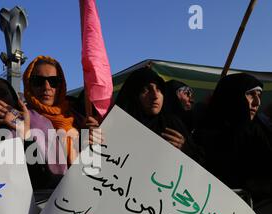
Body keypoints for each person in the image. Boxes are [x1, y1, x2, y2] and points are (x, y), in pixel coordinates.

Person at [193, 73, 272, 203]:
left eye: (259, 95)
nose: (257, 102)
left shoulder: (259, 133)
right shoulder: (203, 136)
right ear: (233, 95)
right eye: (251, 94)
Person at [0, 76, 67, 189]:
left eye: (3, 94)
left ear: (13, 96)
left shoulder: (39, 121)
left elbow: (49, 170)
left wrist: (24, 132)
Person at [22, 55, 102, 167]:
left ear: (61, 85)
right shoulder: (22, 118)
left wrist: (92, 140)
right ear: (28, 84)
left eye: (53, 81)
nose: (46, 87)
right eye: (38, 81)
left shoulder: (78, 117)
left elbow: (93, 164)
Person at [114, 67, 203, 162]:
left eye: (159, 89)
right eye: (146, 89)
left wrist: (186, 150)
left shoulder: (171, 124)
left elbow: (201, 163)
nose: (156, 96)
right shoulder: (114, 126)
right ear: (133, 95)